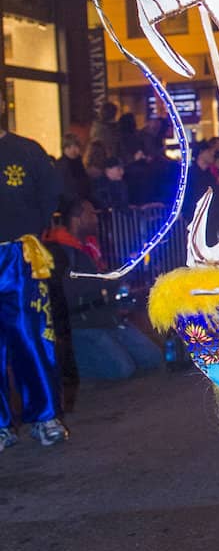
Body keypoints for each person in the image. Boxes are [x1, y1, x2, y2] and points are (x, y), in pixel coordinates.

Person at [0, 107, 66, 448]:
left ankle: (44, 416)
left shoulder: (26, 150)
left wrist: (29, 230)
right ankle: (1, 425)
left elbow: (49, 195)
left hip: (18, 256)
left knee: (31, 335)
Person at [43, 198, 163, 381]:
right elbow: (75, 292)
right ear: (77, 218)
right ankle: (68, 367)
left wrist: (123, 278)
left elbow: (103, 284)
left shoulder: (88, 248)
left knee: (152, 359)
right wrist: (117, 278)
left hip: (106, 317)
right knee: (122, 370)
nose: (96, 219)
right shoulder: (61, 252)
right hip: (82, 324)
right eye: (91, 214)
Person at [55, 132, 92, 205]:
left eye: (77, 146)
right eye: (74, 146)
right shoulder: (61, 165)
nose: (76, 150)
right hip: (70, 203)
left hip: (80, 201)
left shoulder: (78, 162)